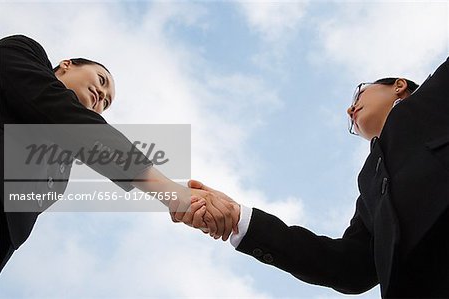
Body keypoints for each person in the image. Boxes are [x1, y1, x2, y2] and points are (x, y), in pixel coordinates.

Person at [186, 58, 449, 297]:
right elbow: (351, 268)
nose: (350, 109)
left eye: (359, 93)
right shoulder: (370, 182)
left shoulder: (436, 93)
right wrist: (238, 217)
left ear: (399, 86)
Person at [0, 34, 237, 275]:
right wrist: (172, 193)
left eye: (107, 103)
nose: (102, 95)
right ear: (66, 64)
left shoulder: (61, 168)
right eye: (101, 81)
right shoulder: (23, 50)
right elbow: (58, 110)